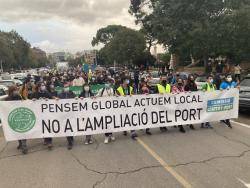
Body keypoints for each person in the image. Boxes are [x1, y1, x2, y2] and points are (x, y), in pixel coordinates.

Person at [6, 86, 28, 154]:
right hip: (14, 117)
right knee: (17, 132)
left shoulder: (19, 96)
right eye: (15, 90)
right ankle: (20, 143)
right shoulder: (7, 99)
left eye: (16, 90)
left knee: (22, 132)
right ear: (11, 91)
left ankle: (24, 147)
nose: (16, 91)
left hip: (21, 116)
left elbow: (25, 102)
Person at [32, 82, 54, 150]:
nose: (43, 86)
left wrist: (49, 100)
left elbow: (52, 98)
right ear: (38, 87)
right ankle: (45, 139)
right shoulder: (35, 94)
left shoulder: (46, 92)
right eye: (42, 85)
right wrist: (33, 100)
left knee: (48, 126)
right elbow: (30, 102)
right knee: (42, 127)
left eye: (43, 85)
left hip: (46, 113)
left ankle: (49, 141)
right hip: (39, 113)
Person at [96, 79, 116, 144]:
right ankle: (106, 136)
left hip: (111, 109)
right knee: (105, 123)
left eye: (108, 83)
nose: (107, 84)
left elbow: (115, 96)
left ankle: (111, 134)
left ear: (110, 84)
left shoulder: (112, 90)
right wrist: (93, 97)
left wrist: (117, 96)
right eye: (106, 83)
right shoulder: (101, 90)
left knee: (111, 122)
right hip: (104, 109)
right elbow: (97, 96)